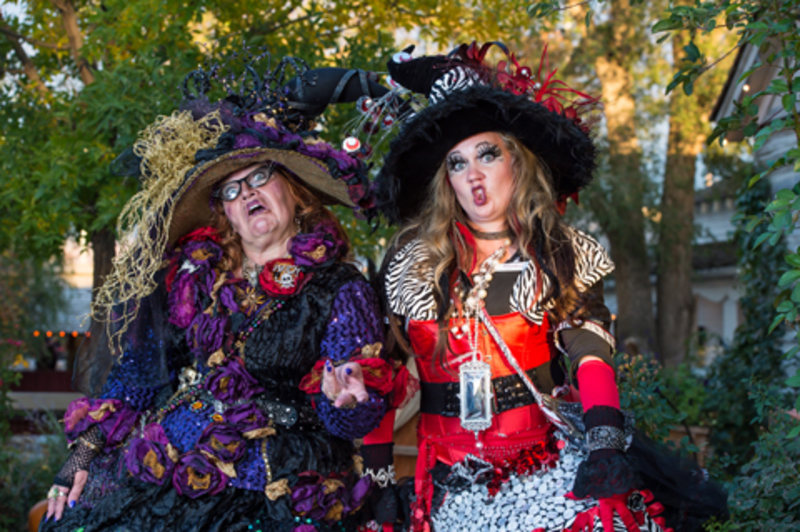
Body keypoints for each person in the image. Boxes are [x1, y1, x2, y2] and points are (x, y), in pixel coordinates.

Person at [41, 56, 412, 532]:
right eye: (231, 191)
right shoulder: (193, 278)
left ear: (294, 191)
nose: (247, 194)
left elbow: (349, 416)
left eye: (259, 177)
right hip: (174, 469)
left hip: (279, 483)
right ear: (224, 215)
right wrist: (84, 455)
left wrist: (350, 400)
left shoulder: (341, 289)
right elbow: (138, 375)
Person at [372, 42, 728, 532]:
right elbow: (380, 372)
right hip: (448, 485)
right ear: (445, 179)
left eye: (487, 154)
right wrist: (376, 476)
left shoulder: (560, 253)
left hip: (541, 473)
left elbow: (588, 349)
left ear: (516, 162)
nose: (473, 175)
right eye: (456, 163)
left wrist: (604, 440)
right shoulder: (409, 262)